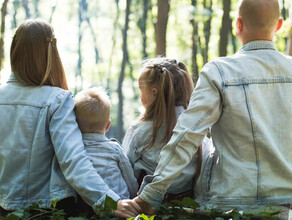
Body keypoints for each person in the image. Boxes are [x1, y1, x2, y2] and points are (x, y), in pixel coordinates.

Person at [132, 0, 292, 215]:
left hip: (229, 205)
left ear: (238, 24)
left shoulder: (220, 71)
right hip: (285, 204)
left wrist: (151, 193)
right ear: (279, 25)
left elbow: (188, 135)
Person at [0, 19, 140, 218]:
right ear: (51, 54)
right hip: (42, 211)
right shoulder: (57, 99)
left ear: (14, 50)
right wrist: (108, 201)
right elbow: (73, 161)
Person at [122, 57, 211, 201]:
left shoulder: (140, 129)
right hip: (186, 202)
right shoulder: (197, 127)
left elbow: (126, 167)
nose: (140, 96)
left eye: (141, 91)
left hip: (146, 202)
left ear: (154, 92)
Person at [74, 87, 138, 199]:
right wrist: (134, 197)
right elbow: (130, 179)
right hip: (120, 203)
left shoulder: (73, 150)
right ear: (108, 125)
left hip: (86, 206)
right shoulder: (115, 149)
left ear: (75, 125)